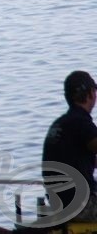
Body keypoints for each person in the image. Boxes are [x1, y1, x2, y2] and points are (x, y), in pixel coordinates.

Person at [42, 71, 97, 222]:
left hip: (59, 203)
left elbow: (75, 157)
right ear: (91, 94)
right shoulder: (81, 123)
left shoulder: (60, 124)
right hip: (79, 207)